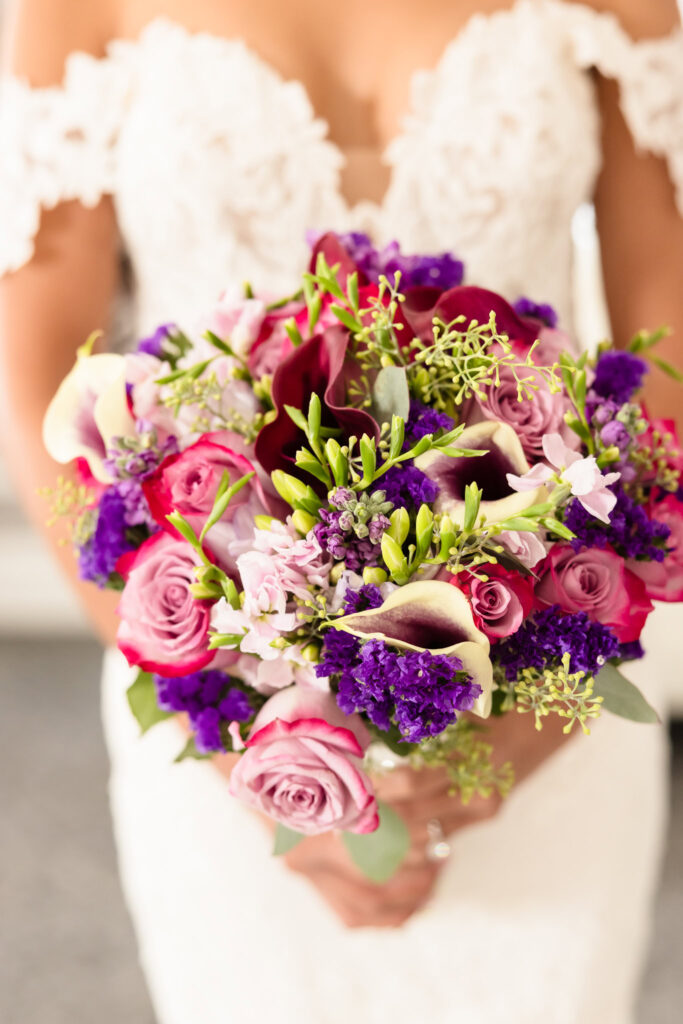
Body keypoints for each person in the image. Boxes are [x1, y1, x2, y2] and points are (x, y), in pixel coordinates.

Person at [1, 0, 681, 1020]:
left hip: (556, 682)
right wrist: (248, 742)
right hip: (218, 711)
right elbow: (46, 377)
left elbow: (665, 345)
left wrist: (531, 731)